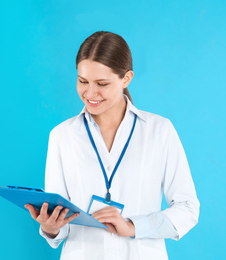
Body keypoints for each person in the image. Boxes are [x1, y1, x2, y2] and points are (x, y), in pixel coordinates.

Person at [25, 31, 199, 260]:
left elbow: (187, 208)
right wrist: (50, 227)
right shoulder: (62, 135)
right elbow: (61, 225)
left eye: (102, 83)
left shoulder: (159, 130)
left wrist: (133, 226)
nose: (90, 93)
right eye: (82, 81)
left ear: (126, 79)